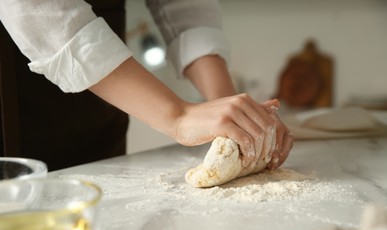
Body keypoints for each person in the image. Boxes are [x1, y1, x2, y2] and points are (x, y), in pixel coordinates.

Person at [0, 0, 293, 171]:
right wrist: (178, 116)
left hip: (101, 104)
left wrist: (228, 106)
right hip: (16, 93)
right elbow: (36, 9)